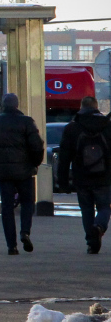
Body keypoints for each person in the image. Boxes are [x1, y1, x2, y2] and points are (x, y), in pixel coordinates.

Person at [0, 92, 45, 254]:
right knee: (27, 202)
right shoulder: (27, 122)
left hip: (4, 171)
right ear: (17, 105)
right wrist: (34, 164)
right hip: (25, 171)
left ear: (2, 105)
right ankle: (25, 232)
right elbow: (37, 146)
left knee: (7, 207)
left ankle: (11, 245)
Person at [57, 96, 111, 254]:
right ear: (96, 107)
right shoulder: (107, 126)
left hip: (82, 176)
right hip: (104, 176)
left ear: (81, 107)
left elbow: (64, 157)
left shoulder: (72, 128)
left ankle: (91, 241)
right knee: (104, 207)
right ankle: (99, 226)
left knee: (86, 209)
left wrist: (63, 181)